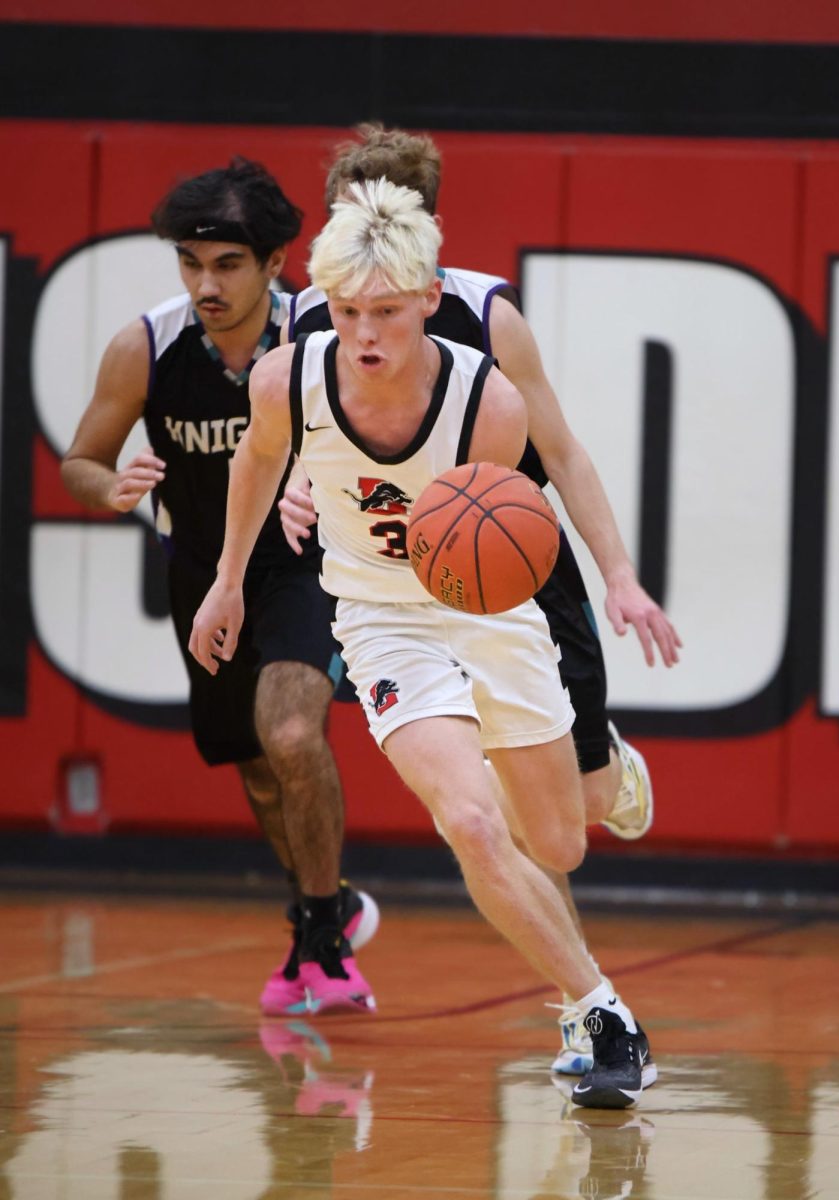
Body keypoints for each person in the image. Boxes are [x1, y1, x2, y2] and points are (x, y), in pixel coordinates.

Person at [190, 177, 655, 1109]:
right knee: (471, 822)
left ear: (430, 302)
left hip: (487, 610)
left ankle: (611, 773)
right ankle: (597, 1011)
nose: (366, 335)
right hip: (380, 618)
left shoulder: (489, 402)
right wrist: (229, 579)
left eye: (389, 313)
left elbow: (509, 525)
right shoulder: (291, 377)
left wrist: (612, 575)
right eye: (350, 311)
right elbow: (254, 462)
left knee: (557, 841)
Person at [60, 157, 377, 1016]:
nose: (206, 282)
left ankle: (320, 940)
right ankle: (329, 903)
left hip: (304, 567)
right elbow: (79, 461)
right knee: (258, 766)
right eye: (191, 262)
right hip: (203, 576)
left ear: (277, 263)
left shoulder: (320, 333)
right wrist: (112, 484)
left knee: (290, 730)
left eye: (227, 264)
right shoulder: (147, 345)